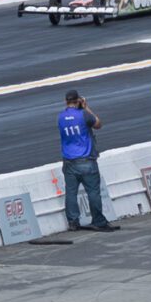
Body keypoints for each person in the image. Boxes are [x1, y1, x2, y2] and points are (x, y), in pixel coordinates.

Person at [59, 90, 115, 232]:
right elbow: (98, 123)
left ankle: (73, 222)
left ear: (66, 101)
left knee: (71, 192)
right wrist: (85, 107)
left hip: (69, 161)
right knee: (93, 192)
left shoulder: (60, 117)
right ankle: (98, 221)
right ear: (78, 100)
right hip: (86, 160)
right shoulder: (83, 114)